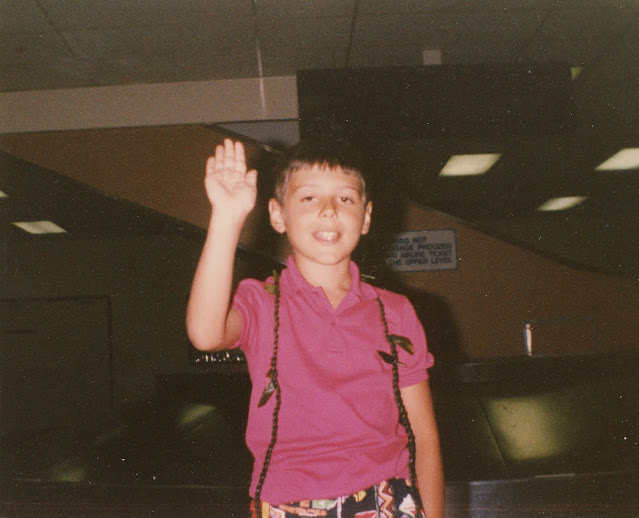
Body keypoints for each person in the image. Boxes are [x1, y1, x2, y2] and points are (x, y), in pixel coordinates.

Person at [186, 138, 444, 518]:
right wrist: (226, 218)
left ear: (366, 217)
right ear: (278, 215)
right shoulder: (262, 302)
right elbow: (205, 334)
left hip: (387, 500)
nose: (328, 210)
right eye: (309, 198)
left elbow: (424, 437)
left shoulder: (395, 312)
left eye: (345, 198)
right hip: (288, 505)